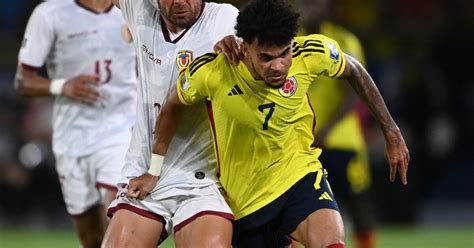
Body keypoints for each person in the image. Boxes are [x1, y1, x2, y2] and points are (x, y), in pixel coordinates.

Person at [145, 0, 410, 247]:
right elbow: (171, 107)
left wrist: (391, 130)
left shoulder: (310, 53)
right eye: (266, 58)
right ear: (244, 48)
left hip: (300, 177)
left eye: (284, 54)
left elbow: (353, 69)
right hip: (246, 200)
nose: (278, 66)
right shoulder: (213, 72)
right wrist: (154, 169)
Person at [101, 0, 239, 247]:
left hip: (204, 177)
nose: (179, 2)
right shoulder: (140, 9)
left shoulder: (223, 19)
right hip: (145, 173)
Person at [14, 0, 137, 247]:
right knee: (90, 237)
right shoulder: (51, 14)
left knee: (118, 213)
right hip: (72, 138)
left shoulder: (135, 11)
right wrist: (61, 86)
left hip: (121, 131)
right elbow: (23, 81)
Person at [296, 0, 378, 247]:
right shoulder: (289, 41)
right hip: (301, 142)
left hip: (342, 139)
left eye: (316, 4)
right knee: (296, 207)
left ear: (329, 9)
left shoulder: (343, 41)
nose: (309, 8)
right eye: (304, 3)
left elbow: (355, 90)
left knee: (356, 203)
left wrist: (328, 128)